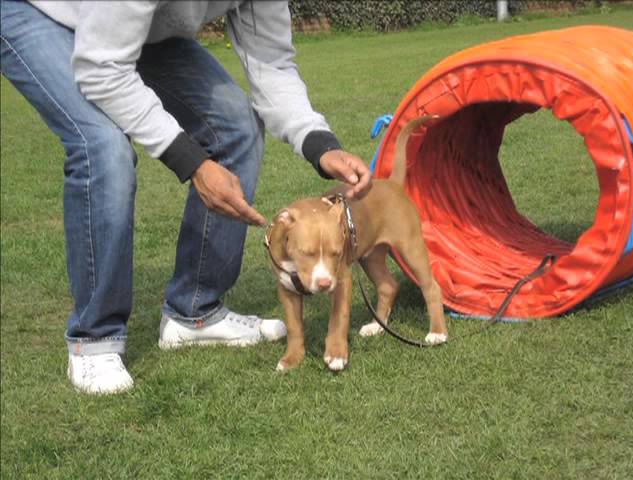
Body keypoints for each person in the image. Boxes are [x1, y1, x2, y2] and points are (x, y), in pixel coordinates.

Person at [0, 0, 372, 395]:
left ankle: (194, 312)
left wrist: (319, 143)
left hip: (135, 31)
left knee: (236, 126)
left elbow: (272, 64)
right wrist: (193, 162)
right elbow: (100, 66)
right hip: (40, 11)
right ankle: (94, 341)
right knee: (103, 147)